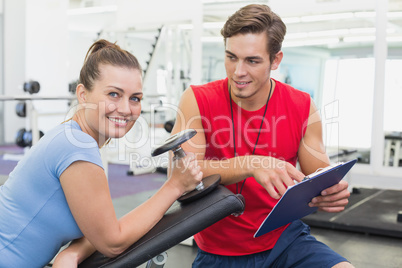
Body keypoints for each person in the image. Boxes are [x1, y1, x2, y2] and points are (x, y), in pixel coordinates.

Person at [170, 4, 354, 268]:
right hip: (220, 251)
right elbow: (182, 176)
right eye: (231, 57)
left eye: (252, 61)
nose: (238, 71)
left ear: (275, 60)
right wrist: (252, 163)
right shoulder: (197, 100)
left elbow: (318, 175)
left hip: (285, 240)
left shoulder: (302, 105)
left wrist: (330, 190)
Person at [0, 39, 203, 267]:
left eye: (135, 98)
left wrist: (74, 252)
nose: (126, 109)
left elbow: (97, 227)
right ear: (83, 95)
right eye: (114, 94)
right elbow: (112, 241)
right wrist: (175, 186)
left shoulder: (72, 136)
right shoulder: (77, 147)